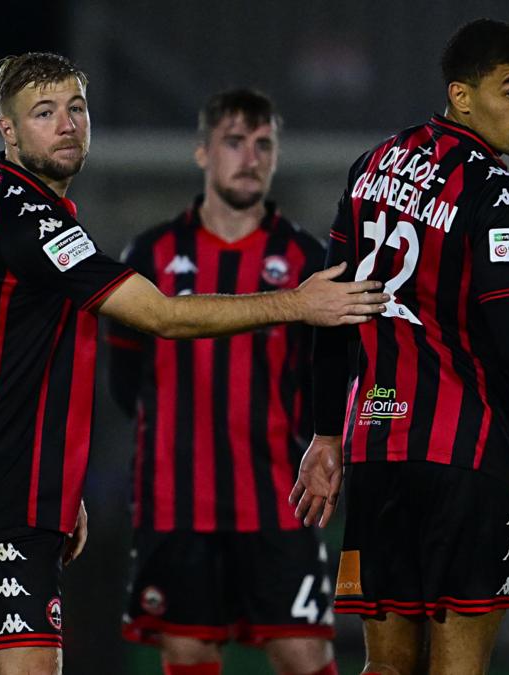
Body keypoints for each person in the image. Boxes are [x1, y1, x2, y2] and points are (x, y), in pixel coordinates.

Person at [0, 51, 386, 675]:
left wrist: (59, 483)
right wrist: (299, 302)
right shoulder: (33, 221)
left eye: (76, 109)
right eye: (44, 113)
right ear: (8, 130)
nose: (67, 125)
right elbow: (162, 318)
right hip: (6, 494)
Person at [288, 19, 509, 675]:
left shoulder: (371, 168)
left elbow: (327, 309)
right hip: (466, 456)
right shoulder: (494, 193)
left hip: (379, 444)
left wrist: (327, 434)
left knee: (386, 665)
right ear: (462, 95)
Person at [109, 88, 337, 675]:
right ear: (203, 153)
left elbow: (329, 380)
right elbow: (124, 381)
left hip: (278, 502)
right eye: (235, 142)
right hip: (176, 503)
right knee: (189, 653)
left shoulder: (306, 257)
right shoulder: (152, 254)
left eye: (264, 145)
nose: (251, 157)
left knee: (305, 655)